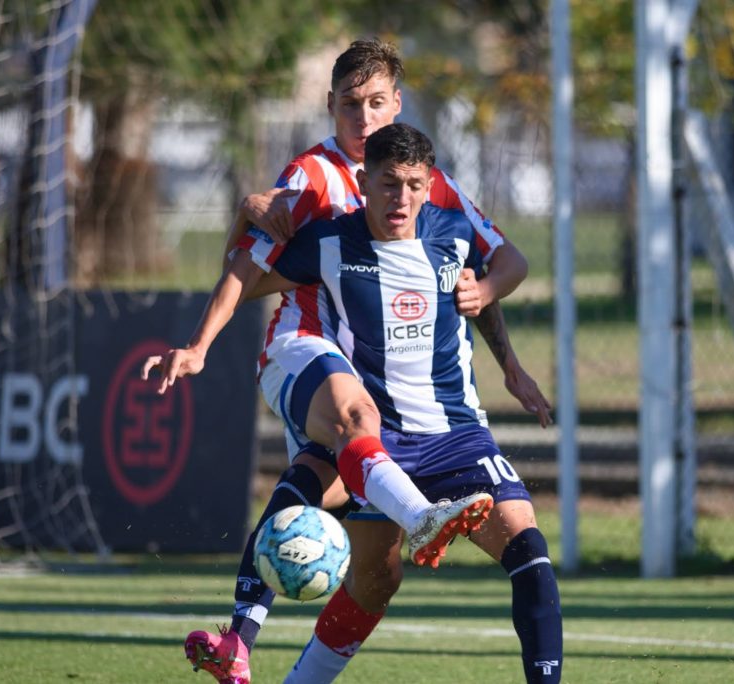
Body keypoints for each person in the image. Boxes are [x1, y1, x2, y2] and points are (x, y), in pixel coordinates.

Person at [143, 39, 549, 683]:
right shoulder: (311, 174)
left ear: (397, 104)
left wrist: (509, 360)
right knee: (351, 425)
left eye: (377, 103)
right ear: (330, 107)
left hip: (382, 369)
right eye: (351, 106)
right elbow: (245, 264)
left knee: (369, 562)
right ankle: (413, 526)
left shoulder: (427, 180)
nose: (365, 119)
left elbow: (473, 268)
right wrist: (199, 345)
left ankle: (240, 640)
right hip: (304, 341)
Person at [255, 123, 563, 683]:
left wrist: (507, 353)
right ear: (365, 180)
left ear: (428, 182)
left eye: (414, 185)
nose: (402, 197)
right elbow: (244, 276)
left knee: (531, 553)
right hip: (380, 443)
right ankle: (265, 652)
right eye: (390, 183)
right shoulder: (330, 236)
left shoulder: (452, 223)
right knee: (374, 581)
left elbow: (501, 268)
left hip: (457, 432)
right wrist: (243, 215)